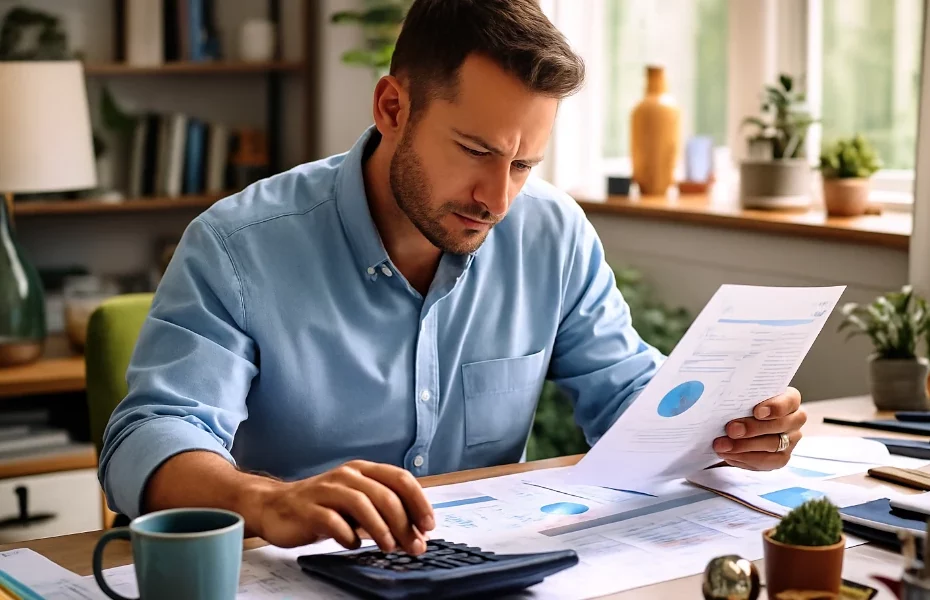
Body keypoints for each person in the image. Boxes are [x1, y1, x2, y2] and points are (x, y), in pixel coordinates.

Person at [99, 0, 807, 557]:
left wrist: (728, 429)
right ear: (391, 109)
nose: (497, 198)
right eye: (476, 151)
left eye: (524, 165)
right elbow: (150, 435)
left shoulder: (551, 234)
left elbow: (626, 397)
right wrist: (263, 501)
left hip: (483, 572)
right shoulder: (238, 246)